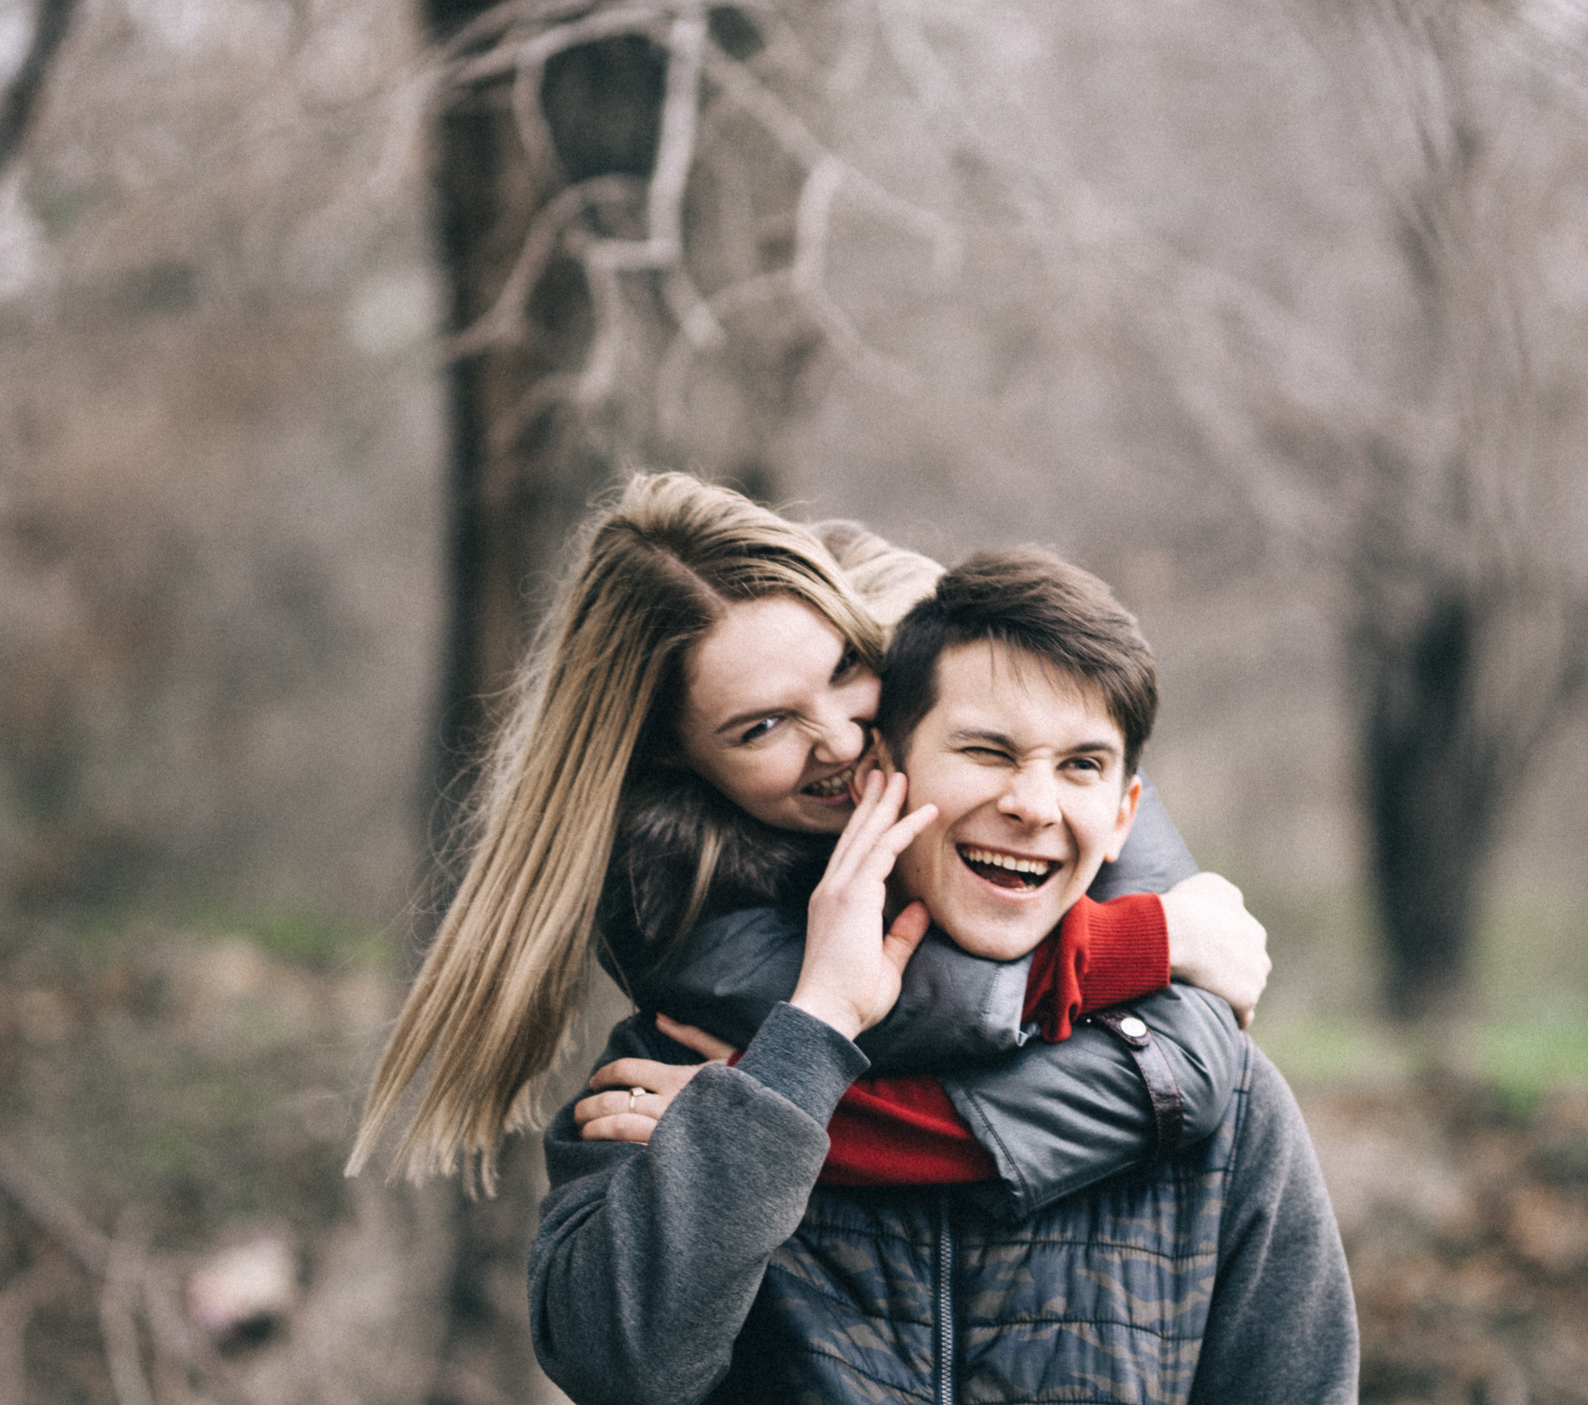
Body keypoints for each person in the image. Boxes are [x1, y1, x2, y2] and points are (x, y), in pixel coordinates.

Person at [531, 548, 1371, 1405]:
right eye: (984, 752)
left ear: (1124, 810)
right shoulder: (686, 1067)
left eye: (1080, 765)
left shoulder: (1212, 1106)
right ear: (881, 772)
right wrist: (806, 1045)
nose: (1032, 805)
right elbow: (624, 1362)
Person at [347, 473, 1264, 1206]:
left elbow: (1193, 1042)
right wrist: (1157, 940)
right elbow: (953, 1003)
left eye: (845, 672)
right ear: (673, 753)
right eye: (762, 728)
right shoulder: (674, 896)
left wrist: (1185, 933)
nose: (841, 739)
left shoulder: (946, 685)